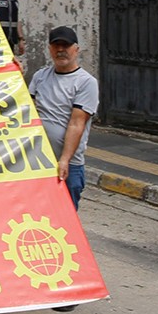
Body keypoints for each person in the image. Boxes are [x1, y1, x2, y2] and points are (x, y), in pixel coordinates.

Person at [29, 26, 99, 210]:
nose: (61, 50)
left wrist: (64, 160)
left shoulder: (86, 82)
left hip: (68, 165)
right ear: (50, 49)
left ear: (76, 49)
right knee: (38, 216)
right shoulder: (40, 77)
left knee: (64, 217)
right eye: (56, 46)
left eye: (65, 46)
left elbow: (77, 123)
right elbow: (27, 110)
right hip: (39, 160)